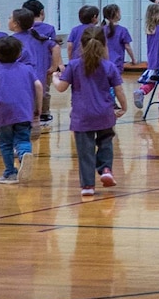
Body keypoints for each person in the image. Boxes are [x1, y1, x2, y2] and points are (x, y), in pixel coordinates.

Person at [51, 25, 127, 197]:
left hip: (82, 115)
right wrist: (124, 106)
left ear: (81, 45)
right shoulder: (109, 66)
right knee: (106, 142)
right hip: (104, 113)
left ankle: (87, 186)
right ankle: (106, 168)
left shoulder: (74, 65)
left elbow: (62, 88)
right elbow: (119, 90)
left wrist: (55, 78)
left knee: (85, 151)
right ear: (104, 44)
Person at [0, 35, 41, 185]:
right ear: (19, 54)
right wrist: (38, 108)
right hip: (24, 112)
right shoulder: (27, 69)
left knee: (5, 143)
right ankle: (24, 155)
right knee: (23, 138)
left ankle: (10, 172)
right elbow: (39, 86)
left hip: (4, 114)